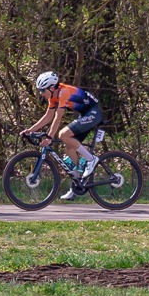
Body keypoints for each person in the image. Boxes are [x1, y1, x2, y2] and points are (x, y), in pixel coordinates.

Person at [23, 70, 104, 199]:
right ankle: (77, 185)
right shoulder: (53, 97)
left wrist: (49, 137)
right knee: (69, 149)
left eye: (42, 90)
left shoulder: (63, 92)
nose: (41, 93)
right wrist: (30, 130)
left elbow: (58, 117)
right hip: (85, 114)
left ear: (51, 88)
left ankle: (91, 159)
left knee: (63, 134)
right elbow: (48, 116)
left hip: (94, 113)